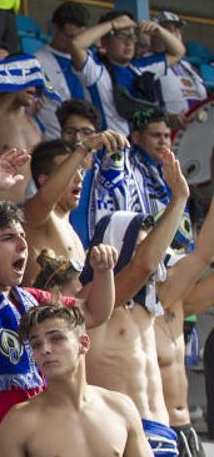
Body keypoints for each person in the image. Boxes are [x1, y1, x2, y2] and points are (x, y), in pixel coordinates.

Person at [0, 148, 115, 457]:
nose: (23, 245)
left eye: (23, 237)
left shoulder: (32, 300)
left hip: (41, 446)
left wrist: (104, 273)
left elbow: (95, 312)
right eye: (8, 238)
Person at [82, 149, 192, 456]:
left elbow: (201, 257)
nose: (156, 256)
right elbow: (142, 265)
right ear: (117, 247)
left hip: (164, 433)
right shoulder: (92, 301)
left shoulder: (150, 304)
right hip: (121, 436)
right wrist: (179, 198)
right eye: (142, 245)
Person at [0, 304, 149, 457]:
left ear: (83, 344)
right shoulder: (19, 422)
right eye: (36, 344)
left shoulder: (120, 408)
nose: (45, 349)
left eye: (56, 339)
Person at [151, 196, 214, 457]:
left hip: (185, 431)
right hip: (152, 433)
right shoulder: (118, 307)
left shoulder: (176, 304)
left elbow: (201, 256)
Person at [21, 132, 127, 284]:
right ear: (44, 180)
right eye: (71, 171)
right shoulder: (36, 215)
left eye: (81, 170)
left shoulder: (69, 228)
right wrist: (84, 147)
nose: (80, 177)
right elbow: (46, 197)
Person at [69, 11, 184, 134]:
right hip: (106, 148)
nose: (128, 42)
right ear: (104, 42)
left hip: (137, 149)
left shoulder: (141, 68)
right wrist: (112, 24)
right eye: (121, 36)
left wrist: (159, 31)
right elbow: (76, 44)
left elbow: (178, 52)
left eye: (132, 36)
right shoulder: (95, 69)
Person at [32, 2, 90, 138]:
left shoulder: (90, 60)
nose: (74, 43)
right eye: (70, 36)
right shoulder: (36, 62)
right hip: (54, 144)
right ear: (55, 29)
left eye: (79, 37)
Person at [152, 11, 207, 111]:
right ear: (154, 36)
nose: (175, 34)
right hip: (167, 125)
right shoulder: (147, 65)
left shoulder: (190, 67)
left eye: (177, 29)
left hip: (197, 124)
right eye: (168, 29)